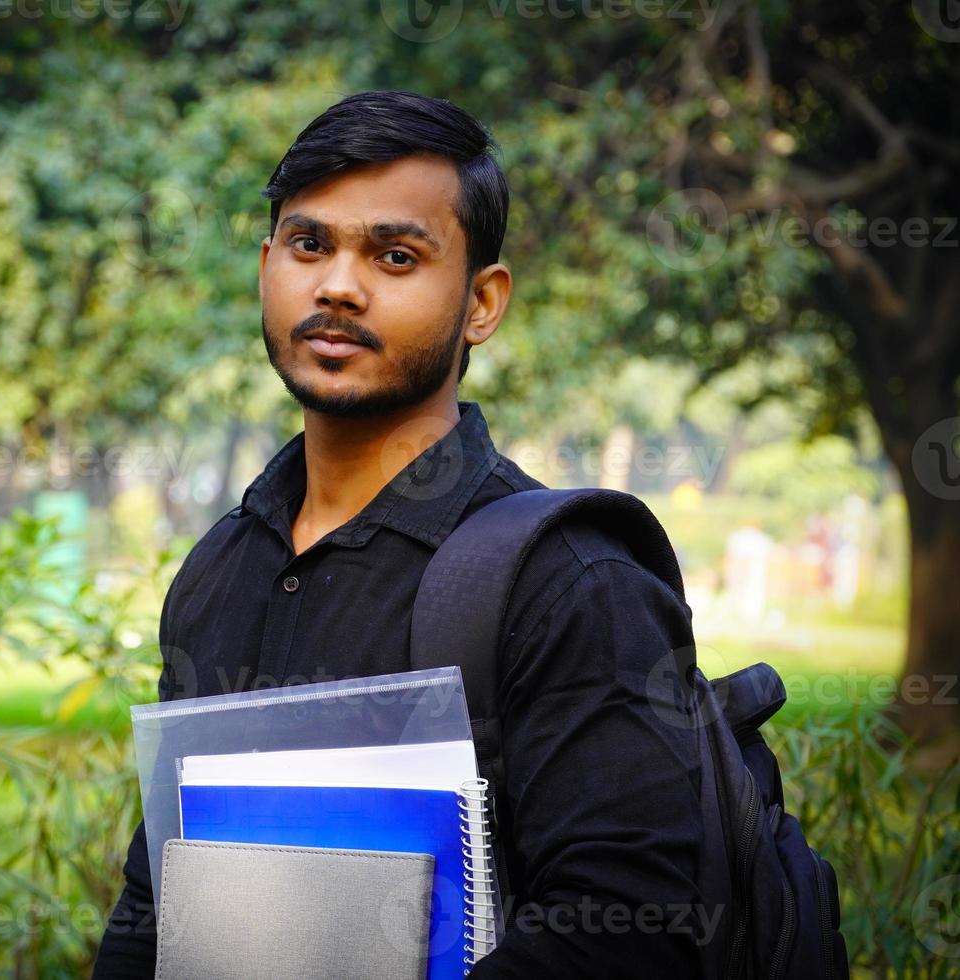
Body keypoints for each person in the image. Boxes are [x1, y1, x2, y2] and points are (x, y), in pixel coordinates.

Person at [92, 90, 707, 978]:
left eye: (395, 254)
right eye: (310, 245)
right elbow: (158, 903)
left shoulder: (569, 579)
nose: (339, 284)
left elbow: (622, 936)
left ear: (482, 303)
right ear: (267, 266)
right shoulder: (221, 568)